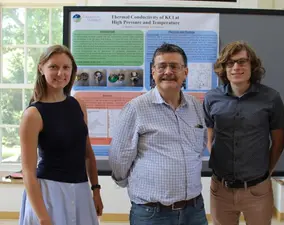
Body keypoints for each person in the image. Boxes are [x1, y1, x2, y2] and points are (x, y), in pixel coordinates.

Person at [109, 43, 208, 225]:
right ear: (153, 72)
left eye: (174, 66)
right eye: (162, 66)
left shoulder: (196, 106)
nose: (168, 71)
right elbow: (119, 157)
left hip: (194, 211)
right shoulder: (136, 108)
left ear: (185, 72)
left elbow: (200, 146)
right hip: (152, 213)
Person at [203, 41, 284, 225]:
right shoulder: (211, 98)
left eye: (242, 62)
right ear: (224, 68)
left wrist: (266, 171)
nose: (236, 67)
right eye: (230, 63)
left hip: (257, 189)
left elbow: (279, 142)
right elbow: (209, 135)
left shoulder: (271, 98)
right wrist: (218, 161)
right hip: (221, 190)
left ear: (252, 66)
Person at [18, 45, 103, 225]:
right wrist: (42, 216)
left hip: (81, 191)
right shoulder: (33, 115)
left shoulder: (78, 104)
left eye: (66, 67)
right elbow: (28, 172)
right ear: (41, 68)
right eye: (53, 67)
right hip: (48, 193)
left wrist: (96, 190)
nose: (60, 73)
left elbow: (87, 154)